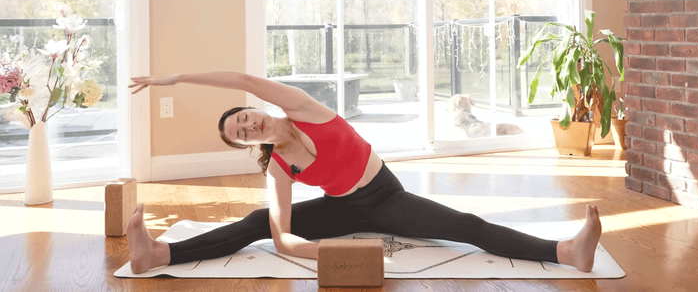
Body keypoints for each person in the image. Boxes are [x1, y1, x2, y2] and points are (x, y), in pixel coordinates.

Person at [126, 71, 602, 274]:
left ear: (257, 110)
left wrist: (172, 79)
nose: (249, 125)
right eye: (241, 133)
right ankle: (159, 256)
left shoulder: (301, 108)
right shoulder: (278, 169)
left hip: (385, 196)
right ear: (248, 144)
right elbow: (284, 240)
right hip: (343, 210)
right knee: (256, 225)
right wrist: (331, 253)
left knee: (465, 227)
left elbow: (241, 78)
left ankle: (566, 252)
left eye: (245, 117)